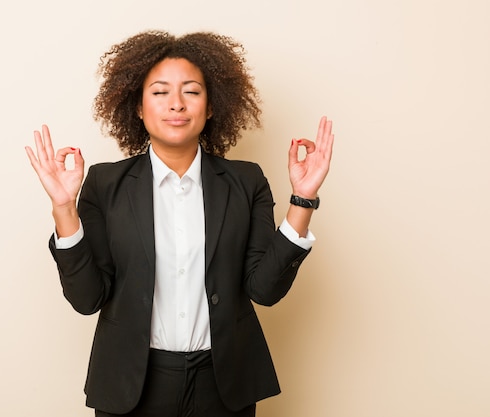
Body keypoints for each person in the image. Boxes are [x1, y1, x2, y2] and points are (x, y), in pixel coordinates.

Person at [25, 30, 334, 417]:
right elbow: (87, 299)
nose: (176, 104)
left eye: (191, 91)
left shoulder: (246, 181)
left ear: (211, 105)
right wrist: (63, 207)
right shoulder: (105, 184)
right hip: (131, 386)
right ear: (137, 107)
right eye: (159, 92)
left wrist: (302, 200)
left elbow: (264, 289)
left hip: (224, 385)